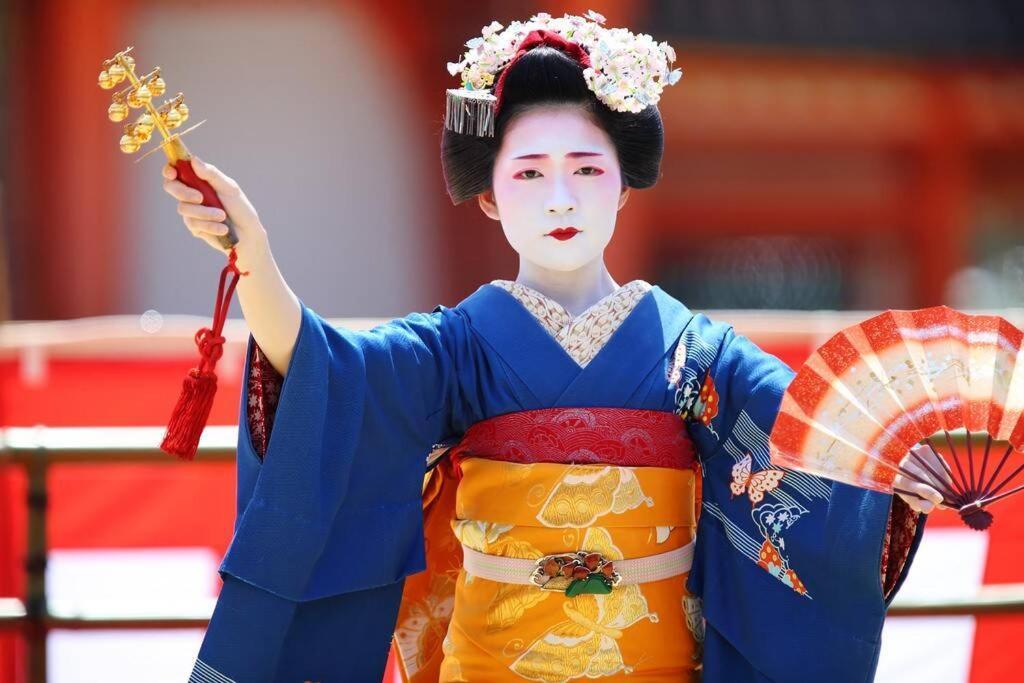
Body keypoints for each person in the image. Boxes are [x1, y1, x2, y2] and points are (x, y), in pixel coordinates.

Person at [164, 12, 944, 683]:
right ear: (492, 195)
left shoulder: (693, 351)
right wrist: (258, 261)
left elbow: (807, 433)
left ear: (623, 185)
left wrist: (883, 470)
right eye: (530, 172)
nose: (561, 197)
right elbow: (330, 371)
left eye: (585, 168)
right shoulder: (460, 346)